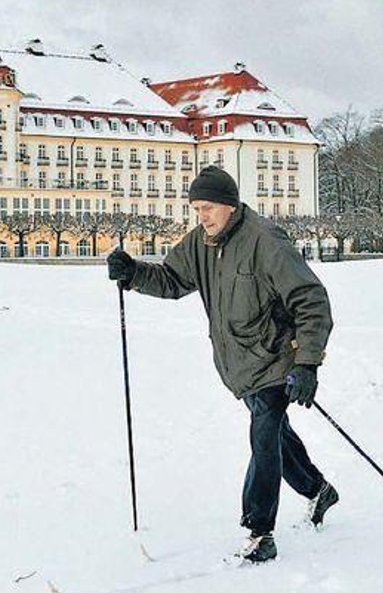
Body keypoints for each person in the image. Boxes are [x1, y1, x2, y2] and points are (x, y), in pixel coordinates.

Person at [107, 166, 337, 563]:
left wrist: (307, 364)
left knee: (263, 435)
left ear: (230, 205)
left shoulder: (266, 241)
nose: (202, 216)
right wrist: (133, 274)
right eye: (196, 208)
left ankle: (259, 530)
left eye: (208, 207)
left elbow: (310, 299)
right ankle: (318, 490)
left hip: (275, 358)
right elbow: (172, 279)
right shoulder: (202, 242)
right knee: (276, 434)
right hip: (239, 364)